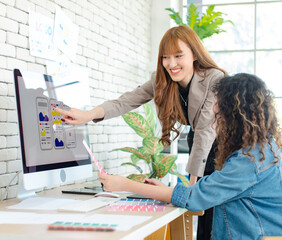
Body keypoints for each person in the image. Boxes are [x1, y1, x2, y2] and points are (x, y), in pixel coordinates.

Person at [54, 25, 226, 239]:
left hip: (224, 148)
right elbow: (126, 101)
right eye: (165, 57)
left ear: (194, 54)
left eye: (178, 55)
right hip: (199, 143)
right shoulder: (162, 80)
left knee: (214, 220)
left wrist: (190, 190)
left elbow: (205, 131)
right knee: (202, 220)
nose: (171, 64)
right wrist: (88, 115)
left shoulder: (213, 78)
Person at [99, 73, 282, 240]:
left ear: (232, 112)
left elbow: (195, 199)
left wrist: (124, 184)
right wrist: (164, 191)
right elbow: (207, 190)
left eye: (218, 104)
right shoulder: (261, 148)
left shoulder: (250, 160)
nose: (214, 109)